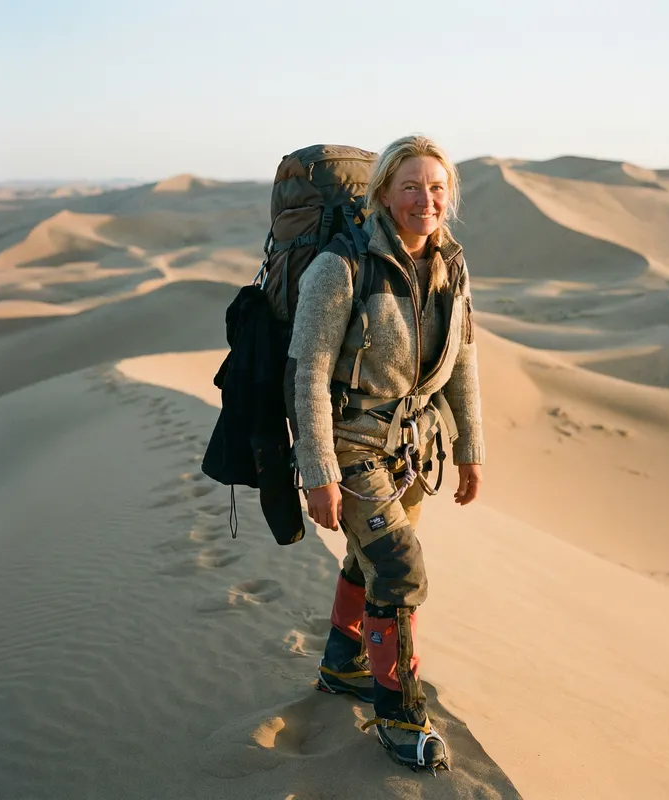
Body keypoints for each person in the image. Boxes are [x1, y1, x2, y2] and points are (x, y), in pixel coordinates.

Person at [287, 134, 484, 772]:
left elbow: (464, 361)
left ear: (448, 195)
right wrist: (317, 472)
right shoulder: (341, 267)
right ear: (383, 195)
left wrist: (470, 447)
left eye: (435, 187)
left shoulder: (451, 265)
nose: (423, 199)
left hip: (414, 449)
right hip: (353, 445)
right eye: (410, 187)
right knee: (400, 571)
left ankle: (341, 665)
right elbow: (309, 373)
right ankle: (399, 715)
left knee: (367, 557)